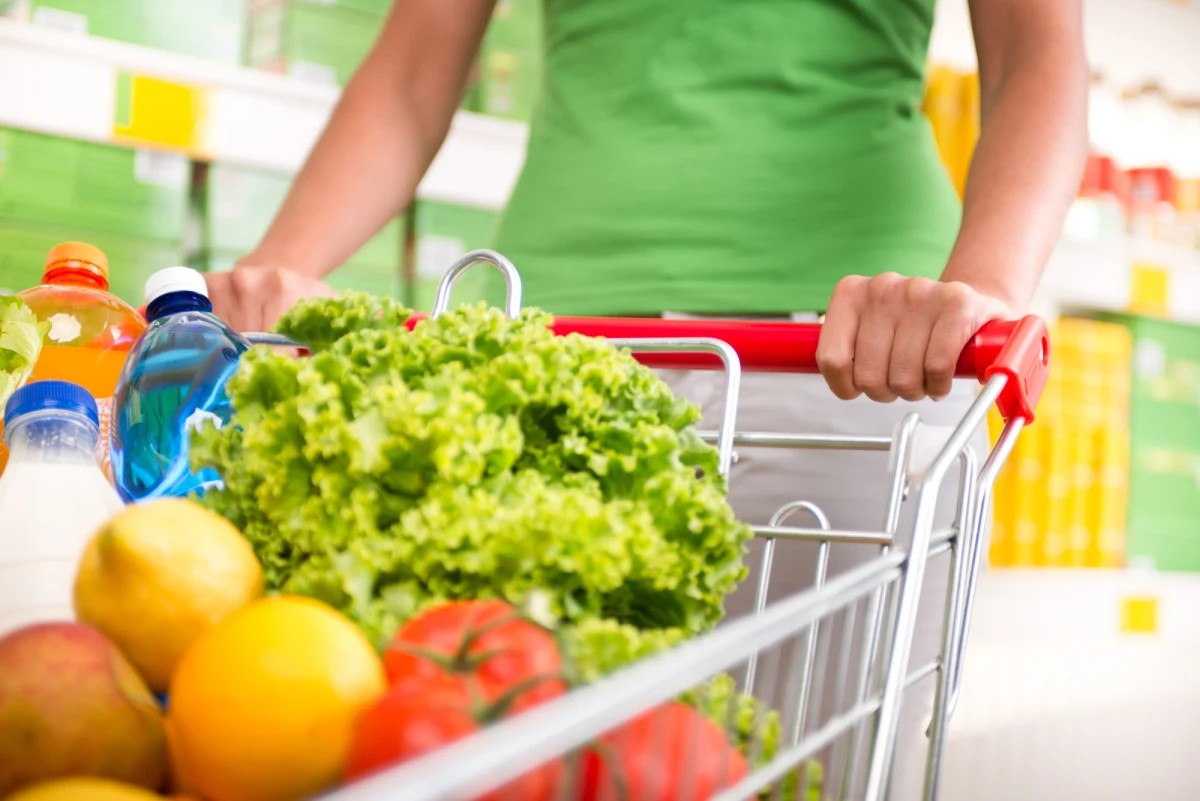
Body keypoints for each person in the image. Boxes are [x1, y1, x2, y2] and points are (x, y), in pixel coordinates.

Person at [207, 0, 1087, 797]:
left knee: (815, 772)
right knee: (506, 764)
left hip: (862, 359)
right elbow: (414, 65)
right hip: (549, 363)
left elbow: (1035, 51)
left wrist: (981, 291)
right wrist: (277, 274)